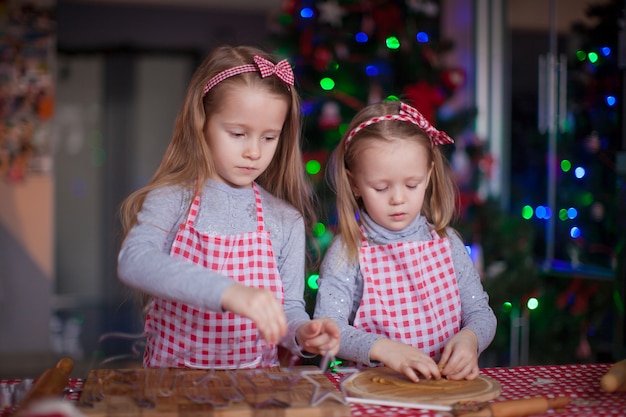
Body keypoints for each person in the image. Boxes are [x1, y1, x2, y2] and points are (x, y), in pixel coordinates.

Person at [117, 45, 340, 369]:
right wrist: (231, 293)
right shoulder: (172, 199)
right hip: (172, 388)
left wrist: (302, 333)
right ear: (201, 122)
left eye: (269, 137)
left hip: (256, 391)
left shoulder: (284, 220)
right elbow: (134, 261)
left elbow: (288, 309)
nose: (254, 151)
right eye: (238, 133)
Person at [314, 100, 496, 382]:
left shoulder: (448, 244)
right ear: (354, 184)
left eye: (412, 184)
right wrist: (384, 349)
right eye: (381, 187)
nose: (398, 198)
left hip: (445, 391)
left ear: (429, 175)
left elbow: (480, 312)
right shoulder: (347, 252)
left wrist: (470, 339)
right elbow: (328, 328)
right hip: (375, 392)